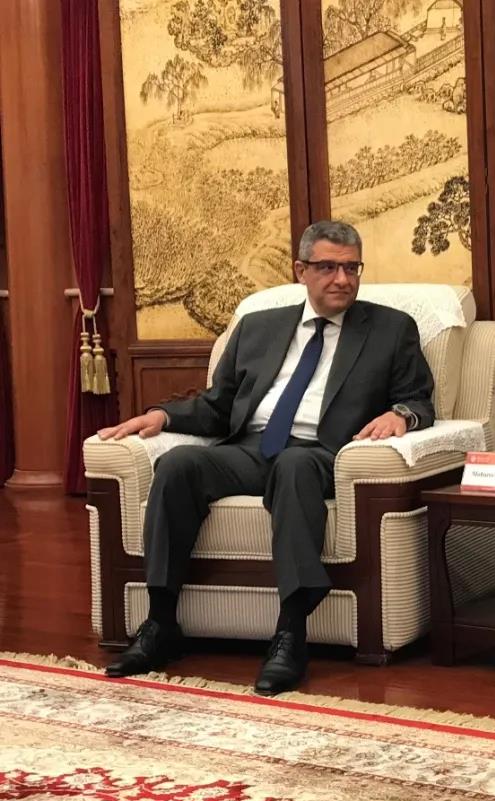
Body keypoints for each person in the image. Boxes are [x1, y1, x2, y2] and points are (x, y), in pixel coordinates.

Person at [98, 220, 435, 695]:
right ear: (301, 270)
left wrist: (400, 415)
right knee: (177, 466)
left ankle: (290, 633)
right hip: (252, 448)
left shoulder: (390, 330)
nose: (341, 279)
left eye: (351, 268)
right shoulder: (258, 327)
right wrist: (163, 416)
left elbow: (419, 399)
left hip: (322, 454)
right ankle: (160, 623)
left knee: (294, 467)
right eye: (327, 267)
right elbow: (219, 405)